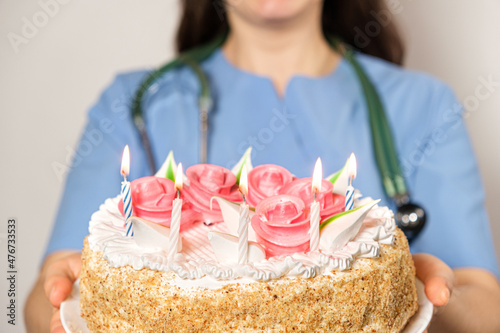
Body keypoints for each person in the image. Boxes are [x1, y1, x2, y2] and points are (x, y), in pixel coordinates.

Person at [25, 1, 500, 332]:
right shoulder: (136, 104)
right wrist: (65, 292)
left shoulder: (421, 104)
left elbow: (487, 303)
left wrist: (414, 293)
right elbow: (36, 304)